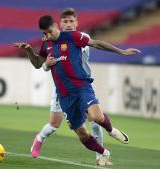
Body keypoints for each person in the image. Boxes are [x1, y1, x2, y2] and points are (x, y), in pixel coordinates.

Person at [14, 15, 140, 165]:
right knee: (82, 135)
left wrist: (121, 51)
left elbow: (96, 43)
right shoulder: (47, 45)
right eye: (44, 33)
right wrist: (29, 51)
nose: (47, 35)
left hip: (82, 87)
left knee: (97, 117)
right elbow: (37, 64)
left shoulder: (73, 36)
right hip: (65, 96)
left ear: (55, 26)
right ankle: (103, 153)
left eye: (49, 31)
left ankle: (111, 130)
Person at [29, 8, 105, 165]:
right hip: (62, 89)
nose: (69, 24)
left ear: (77, 23)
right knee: (54, 124)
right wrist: (45, 66)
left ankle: (100, 156)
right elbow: (45, 64)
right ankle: (40, 138)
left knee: (94, 120)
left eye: (72, 21)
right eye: (65, 21)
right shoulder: (50, 42)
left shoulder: (81, 38)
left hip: (82, 85)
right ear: (59, 25)